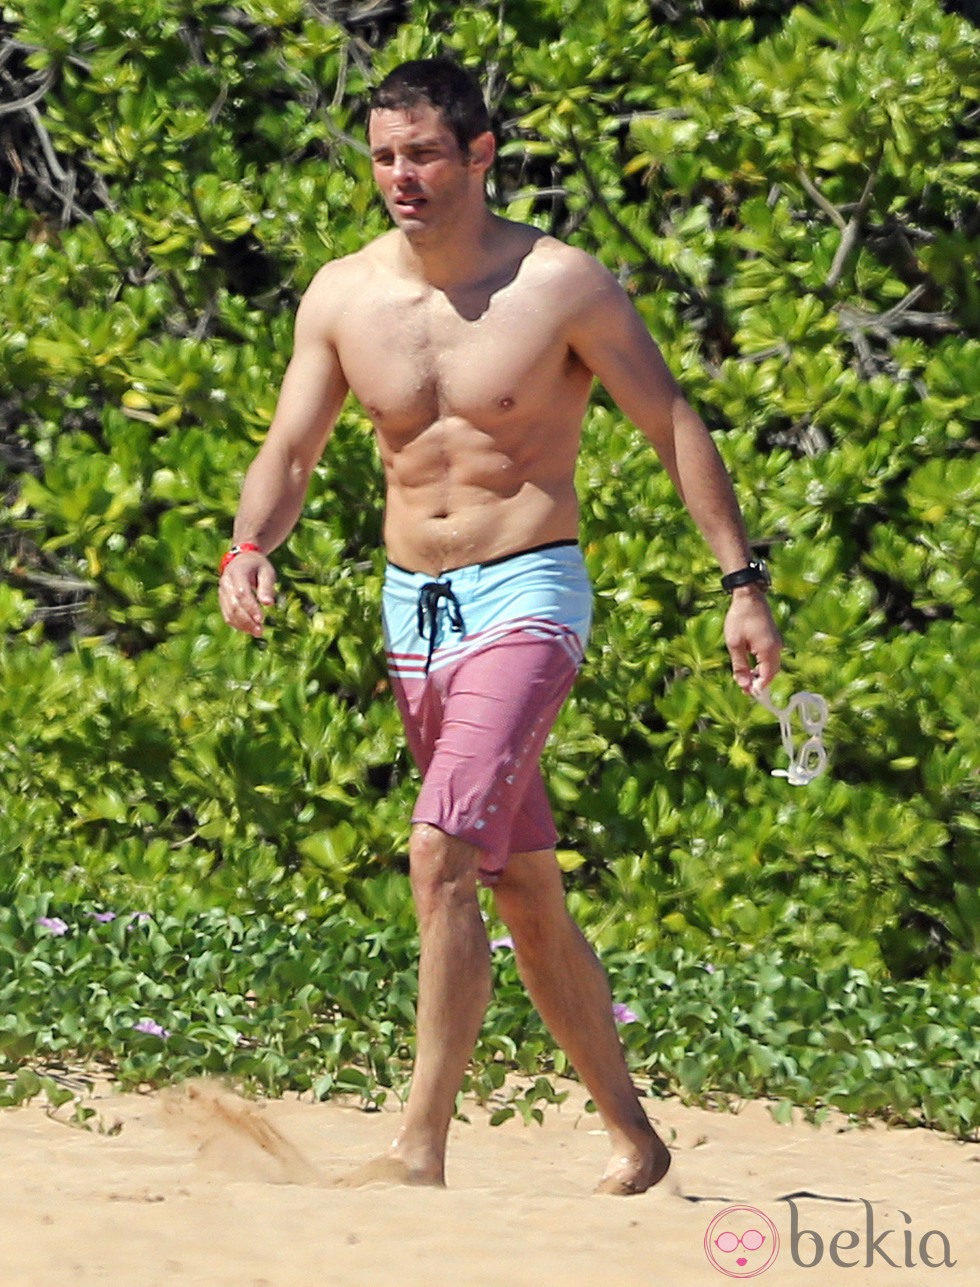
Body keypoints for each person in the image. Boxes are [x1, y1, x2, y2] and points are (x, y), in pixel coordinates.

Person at [218, 56, 782, 1196]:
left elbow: (670, 420)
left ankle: (417, 1147)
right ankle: (636, 1134)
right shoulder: (340, 295)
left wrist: (742, 581)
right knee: (520, 883)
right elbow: (290, 448)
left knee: (439, 850)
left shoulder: (559, 286)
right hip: (411, 612)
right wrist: (249, 548)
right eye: (382, 156)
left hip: (527, 594)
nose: (399, 177)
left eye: (421, 153)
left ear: (480, 153)